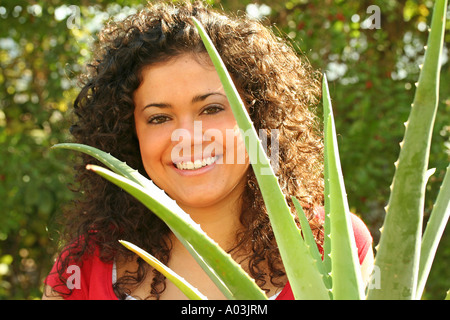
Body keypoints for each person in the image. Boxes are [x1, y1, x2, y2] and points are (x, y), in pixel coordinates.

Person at [43, 0, 373, 300]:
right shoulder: (81, 271)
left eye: (212, 109)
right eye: (159, 118)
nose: (188, 137)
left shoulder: (334, 246)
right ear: (130, 137)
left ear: (258, 117)